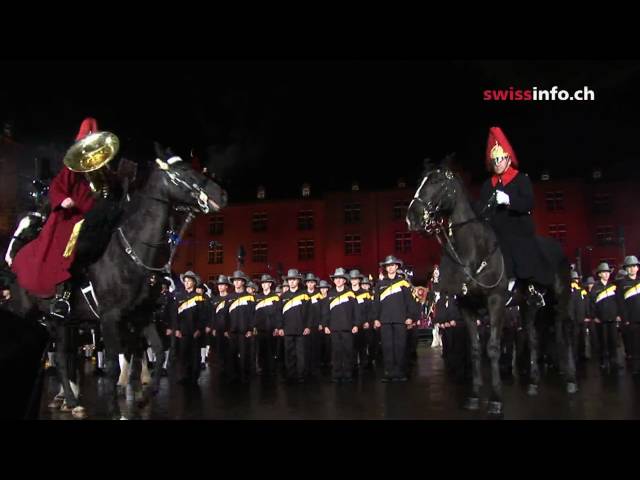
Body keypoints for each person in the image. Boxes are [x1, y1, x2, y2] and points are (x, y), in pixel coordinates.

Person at [477, 126, 553, 292]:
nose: (497, 164)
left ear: (508, 159)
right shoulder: (487, 185)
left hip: (518, 230)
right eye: (494, 161)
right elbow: (480, 208)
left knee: (519, 250)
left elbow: (529, 203)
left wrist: (510, 200)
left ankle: (529, 288)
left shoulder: (521, 179)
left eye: (500, 160)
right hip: (495, 232)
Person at [372, 255, 419, 382]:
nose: (391, 267)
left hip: (400, 319)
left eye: (393, 265)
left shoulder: (403, 283)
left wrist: (410, 317)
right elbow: (376, 303)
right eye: (388, 265)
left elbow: (410, 302)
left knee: (400, 346)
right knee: (387, 347)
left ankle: (400, 372)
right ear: (386, 268)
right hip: (385, 320)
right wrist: (376, 318)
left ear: (397, 267)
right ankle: (389, 372)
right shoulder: (380, 284)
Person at [322, 268, 359, 383]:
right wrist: (326, 325)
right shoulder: (330, 294)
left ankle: (347, 374)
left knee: (348, 351)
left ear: (344, 281)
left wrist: (356, 324)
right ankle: (337, 374)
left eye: (340, 278)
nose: (338, 280)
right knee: (336, 352)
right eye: (336, 278)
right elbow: (325, 312)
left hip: (348, 328)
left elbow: (356, 311)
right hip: (334, 328)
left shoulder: (350, 294)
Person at [618, 256, 640, 374]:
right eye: (629, 267)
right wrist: (625, 319)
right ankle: (636, 368)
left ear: (637, 268)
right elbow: (621, 303)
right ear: (626, 269)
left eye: (634, 266)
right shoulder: (622, 284)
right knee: (634, 345)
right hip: (631, 320)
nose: (632, 269)